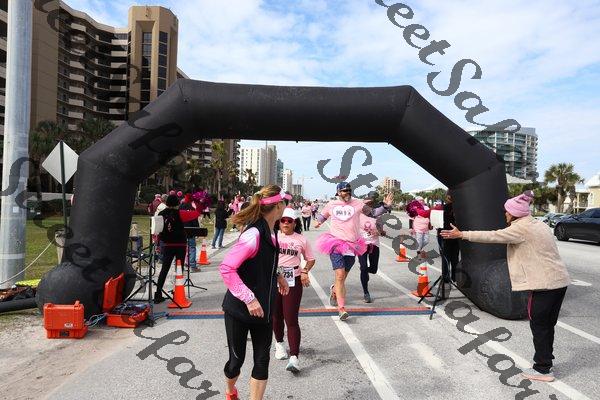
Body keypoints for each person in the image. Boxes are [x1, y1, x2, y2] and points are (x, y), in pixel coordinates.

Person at [441, 190, 570, 382]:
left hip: (544, 284)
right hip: (559, 282)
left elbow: (493, 236)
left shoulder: (520, 229)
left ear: (515, 213)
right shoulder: (538, 224)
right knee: (546, 325)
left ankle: (543, 369)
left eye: (507, 211)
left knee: (539, 326)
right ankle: (545, 361)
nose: (505, 214)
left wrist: (462, 234)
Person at [219, 185, 291, 400]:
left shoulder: (272, 231)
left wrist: (278, 275)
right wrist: (249, 299)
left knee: (262, 361)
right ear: (278, 206)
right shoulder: (253, 234)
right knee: (236, 362)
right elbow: (227, 268)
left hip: (264, 310)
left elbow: (263, 262)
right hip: (239, 310)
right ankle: (230, 391)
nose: (287, 206)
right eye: (285, 202)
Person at [314, 182, 392, 320]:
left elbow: (373, 213)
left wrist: (385, 206)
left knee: (343, 276)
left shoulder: (358, 203)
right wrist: (318, 221)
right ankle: (341, 308)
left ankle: (334, 290)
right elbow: (323, 215)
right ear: (338, 192)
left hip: (352, 245)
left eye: (349, 190)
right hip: (336, 243)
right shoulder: (332, 204)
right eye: (344, 190)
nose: (347, 193)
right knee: (339, 275)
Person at [272, 207, 315, 373]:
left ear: (294, 223)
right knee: (276, 316)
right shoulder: (272, 237)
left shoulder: (301, 240)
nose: (285, 223)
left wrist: (305, 271)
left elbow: (310, 259)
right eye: (283, 220)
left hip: (293, 281)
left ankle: (294, 357)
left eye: (289, 221)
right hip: (274, 280)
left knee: (291, 318)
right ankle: (279, 344)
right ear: (279, 222)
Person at [155, 194, 200, 303]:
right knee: (179, 269)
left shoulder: (160, 214)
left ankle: (158, 293)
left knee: (164, 269)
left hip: (167, 244)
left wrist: (158, 244)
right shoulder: (181, 213)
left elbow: (157, 231)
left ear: (166, 203)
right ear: (177, 203)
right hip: (180, 244)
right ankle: (177, 291)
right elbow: (196, 213)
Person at [358, 210, 385, 303]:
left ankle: (365, 271)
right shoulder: (358, 215)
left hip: (374, 244)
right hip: (361, 245)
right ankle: (366, 293)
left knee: (373, 270)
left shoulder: (378, 217)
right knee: (364, 267)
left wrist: (379, 232)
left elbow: (382, 232)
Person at [435, 193, 460, 282]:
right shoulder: (460, 208)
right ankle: (455, 277)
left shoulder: (442, 208)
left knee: (445, 258)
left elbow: (436, 224)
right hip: (456, 235)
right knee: (455, 257)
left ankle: (446, 278)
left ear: (447, 197)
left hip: (444, 234)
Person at [179, 193, 200, 272]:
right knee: (192, 248)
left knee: (182, 248)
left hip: (181, 231)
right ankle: (192, 266)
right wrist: (197, 231)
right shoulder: (192, 209)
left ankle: (182, 265)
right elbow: (195, 221)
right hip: (190, 231)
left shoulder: (179, 208)